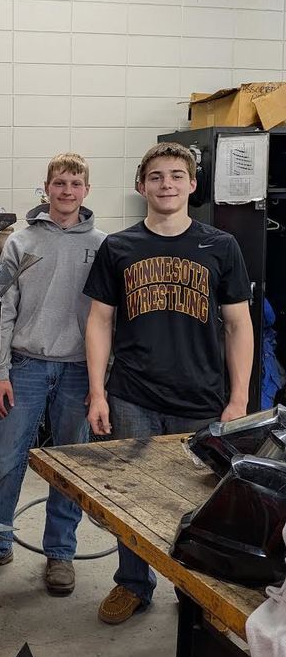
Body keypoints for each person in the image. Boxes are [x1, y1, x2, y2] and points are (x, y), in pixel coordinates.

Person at [85, 141, 253, 625]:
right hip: (133, 393)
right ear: (142, 186)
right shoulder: (117, 246)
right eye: (156, 176)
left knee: (197, 500)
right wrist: (98, 391)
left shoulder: (221, 246)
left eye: (177, 176)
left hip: (200, 396)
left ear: (192, 185)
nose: (167, 184)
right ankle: (133, 584)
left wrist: (238, 398)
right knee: (131, 496)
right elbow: (99, 321)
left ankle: (193, 589)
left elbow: (239, 325)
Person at [0, 152, 105, 595]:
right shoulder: (18, 242)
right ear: (46, 188)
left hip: (77, 370)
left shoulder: (104, 244)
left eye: (75, 183)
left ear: (86, 190)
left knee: (70, 466)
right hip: (26, 366)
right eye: (59, 183)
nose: (67, 191)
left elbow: (110, 318)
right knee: (5, 458)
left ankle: (61, 554)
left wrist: (99, 381)